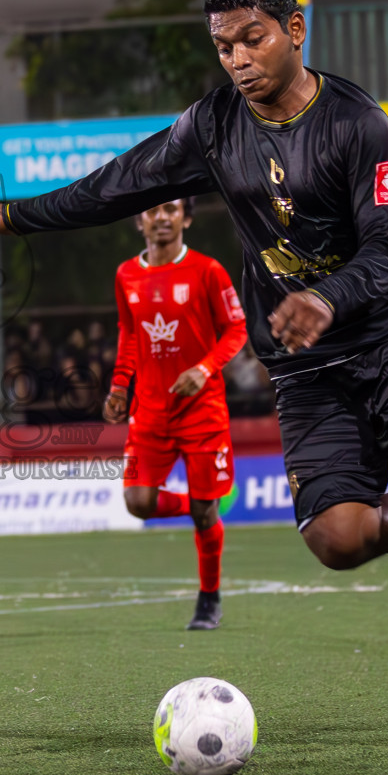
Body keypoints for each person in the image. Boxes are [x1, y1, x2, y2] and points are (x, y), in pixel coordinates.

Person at [0, 0, 388, 752]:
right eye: (223, 46)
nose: (237, 58)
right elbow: (119, 184)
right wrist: (16, 216)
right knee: (339, 541)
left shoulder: (359, 123)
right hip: (309, 363)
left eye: (252, 38)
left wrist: (327, 298)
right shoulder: (213, 126)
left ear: (296, 30)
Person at [103, 198, 247, 629]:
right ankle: (203, 506)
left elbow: (236, 329)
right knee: (138, 502)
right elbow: (129, 332)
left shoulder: (207, 270)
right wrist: (118, 385)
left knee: (206, 517)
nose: (161, 217)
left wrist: (204, 369)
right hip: (148, 412)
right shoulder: (126, 274)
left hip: (202, 411)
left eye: (171, 209)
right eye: (151, 210)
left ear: (185, 218)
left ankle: (209, 600)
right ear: (139, 220)